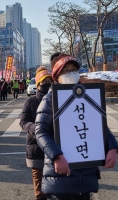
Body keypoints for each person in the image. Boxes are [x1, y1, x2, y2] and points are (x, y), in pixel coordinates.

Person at [35, 53, 118, 199]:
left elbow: (99, 125)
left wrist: (112, 147)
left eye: (74, 69)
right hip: (60, 178)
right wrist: (57, 156)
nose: (71, 73)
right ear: (57, 75)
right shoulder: (50, 99)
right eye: (66, 70)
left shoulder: (87, 96)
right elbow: (40, 131)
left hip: (86, 177)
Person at [20, 66, 53, 200]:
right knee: (39, 185)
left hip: (54, 146)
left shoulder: (56, 99)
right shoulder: (31, 101)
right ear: (38, 84)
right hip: (36, 145)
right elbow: (23, 122)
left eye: (50, 82)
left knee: (52, 182)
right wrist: (36, 128)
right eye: (44, 82)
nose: (47, 85)